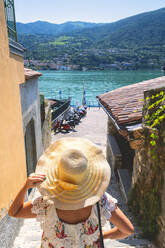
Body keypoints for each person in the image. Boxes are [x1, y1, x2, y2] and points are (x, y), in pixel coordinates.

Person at [8, 137, 134, 248]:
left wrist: (26, 186)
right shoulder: (100, 200)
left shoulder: (47, 203)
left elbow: (15, 212)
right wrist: (102, 236)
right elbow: (127, 230)